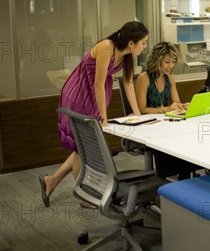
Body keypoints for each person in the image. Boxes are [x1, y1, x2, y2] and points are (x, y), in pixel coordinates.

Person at [40, 21, 149, 208]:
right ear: (131, 42)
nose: (145, 46)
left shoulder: (128, 55)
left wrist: (138, 114)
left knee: (81, 146)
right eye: (144, 42)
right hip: (80, 93)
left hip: (94, 96)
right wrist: (104, 115)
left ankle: (52, 180)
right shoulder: (107, 47)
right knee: (83, 145)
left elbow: (128, 83)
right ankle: (85, 196)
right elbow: (98, 83)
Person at [135, 41, 198, 179]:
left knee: (187, 138)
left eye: (173, 62)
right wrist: (167, 108)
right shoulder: (143, 78)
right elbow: (142, 109)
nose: (171, 66)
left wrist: (183, 106)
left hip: (165, 123)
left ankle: (185, 176)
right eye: (167, 62)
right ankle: (166, 176)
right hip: (149, 125)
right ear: (157, 60)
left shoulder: (170, 78)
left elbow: (176, 102)